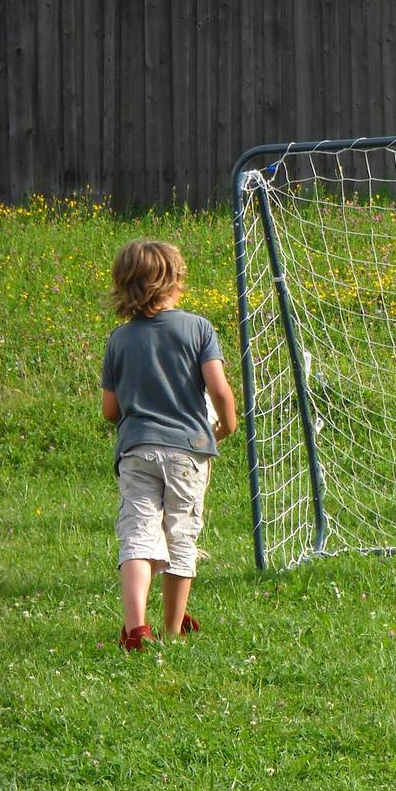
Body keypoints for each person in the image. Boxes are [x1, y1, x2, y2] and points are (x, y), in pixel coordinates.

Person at [101, 240, 237, 651]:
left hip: (137, 450)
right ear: (174, 281)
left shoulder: (118, 340)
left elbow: (110, 410)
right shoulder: (198, 328)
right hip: (188, 450)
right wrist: (226, 427)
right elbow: (220, 390)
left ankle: (135, 628)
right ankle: (173, 629)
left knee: (138, 534)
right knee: (181, 536)